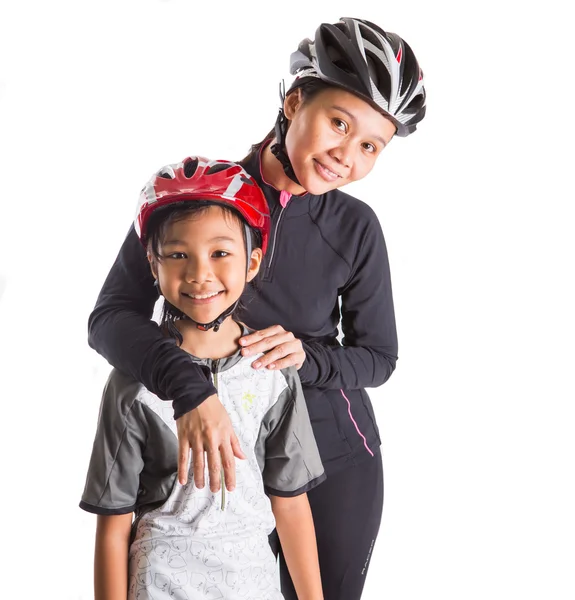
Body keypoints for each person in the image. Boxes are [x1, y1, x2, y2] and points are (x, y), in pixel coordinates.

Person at [88, 16, 426, 600]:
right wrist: (189, 388)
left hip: (335, 456)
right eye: (338, 123)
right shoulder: (198, 199)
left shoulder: (356, 227)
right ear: (296, 102)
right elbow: (110, 320)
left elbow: (379, 357)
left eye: (370, 145)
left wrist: (307, 357)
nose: (346, 155)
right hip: (207, 460)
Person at [80, 158, 326, 600]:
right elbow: (113, 528)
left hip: (252, 580)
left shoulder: (272, 372)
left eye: (220, 253)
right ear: (151, 266)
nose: (199, 274)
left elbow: (291, 505)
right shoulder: (131, 386)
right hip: (160, 582)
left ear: (251, 262)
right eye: (177, 255)